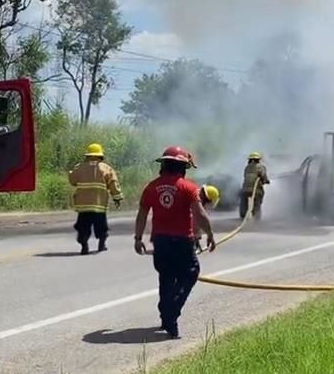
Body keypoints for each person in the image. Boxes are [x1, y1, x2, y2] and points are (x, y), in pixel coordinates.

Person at [134, 146, 215, 339]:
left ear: (163, 164)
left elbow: (142, 214)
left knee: (166, 277)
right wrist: (210, 233)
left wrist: (138, 238)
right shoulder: (188, 188)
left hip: (160, 242)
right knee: (190, 273)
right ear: (183, 167)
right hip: (182, 241)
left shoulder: (151, 187)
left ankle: (166, 317)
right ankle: (172, 311)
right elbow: (200, 213)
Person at [68, 143, 123, 255]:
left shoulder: (79, 167)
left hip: (83, 207)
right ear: (100, 155)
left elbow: (72, 181)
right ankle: (101, 245)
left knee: (83, 227)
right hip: (99, 206)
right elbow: (113, 184)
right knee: (102, 227)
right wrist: (117, 198)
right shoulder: (106, 169)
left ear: (87, 155)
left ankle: (84, 245)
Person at [239, 151, 270, 220]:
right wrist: (266, 181)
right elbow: (264, 177)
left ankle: (243, 217)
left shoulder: (247, 167)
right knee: (257, 204)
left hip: (245, 190)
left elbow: (246, 177)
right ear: (258, 159)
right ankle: (256, 218)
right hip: (256, 190)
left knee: (244, 204)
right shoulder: (261, 167)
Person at [194, 184, 220, 253]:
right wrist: (209, 235)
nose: (205, 205)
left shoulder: (192, 193)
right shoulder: (194, 202)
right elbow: (200, 219)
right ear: (205, 197)